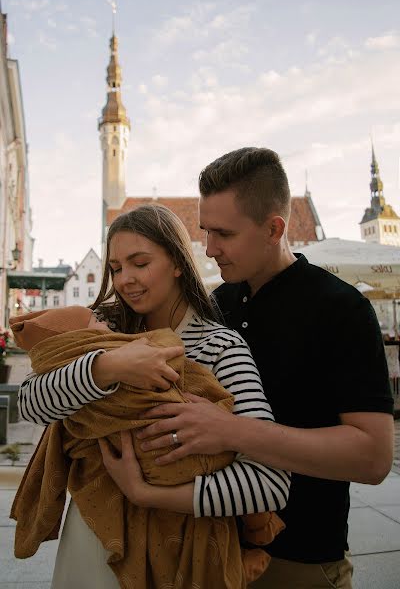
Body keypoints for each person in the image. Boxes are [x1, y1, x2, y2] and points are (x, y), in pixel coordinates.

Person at [132, 148, 395, 589]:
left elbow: (373, 458)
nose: (209, 248)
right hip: (206, 546)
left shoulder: (339, 309)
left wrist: (230, 430)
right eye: (205, 231)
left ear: (274, 229)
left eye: (224, 234)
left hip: (300, 562)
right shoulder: (218, 306)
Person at [17, 204, 290, 588]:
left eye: (139, 263)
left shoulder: (219, 347)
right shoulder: (99, 327)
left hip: (181, 550)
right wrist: (109, 366)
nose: (125, 279)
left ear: (178, 262)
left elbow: (269, 485)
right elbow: (30, 402)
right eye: (115, 268)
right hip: (94, 535)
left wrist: (147, 492)